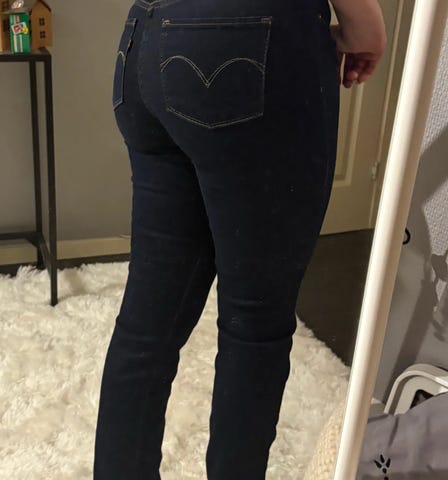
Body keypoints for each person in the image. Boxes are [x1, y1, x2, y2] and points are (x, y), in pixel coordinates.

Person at [93, 0, 386, 478]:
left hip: (143, 37)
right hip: (250, 36)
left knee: (147, 325)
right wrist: (365, 24)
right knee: (254, 327)